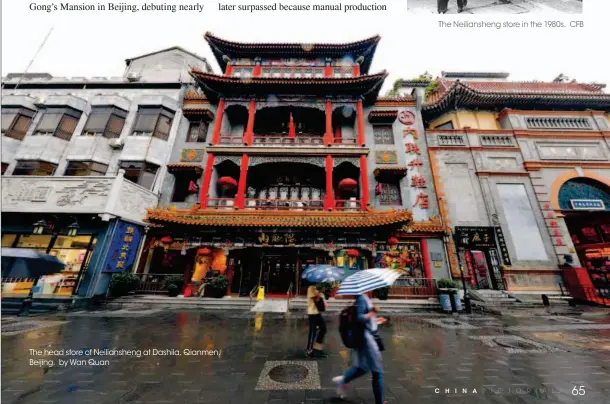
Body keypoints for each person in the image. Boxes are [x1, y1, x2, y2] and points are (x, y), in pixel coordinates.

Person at [333, 293, 387, 404]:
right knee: (377, 372)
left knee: (363, 367)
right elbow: (360, 317)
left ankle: (343, 380)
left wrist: (375, 319)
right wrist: (373, 312)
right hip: (368, 340)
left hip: (365, 338)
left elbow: (364, 318)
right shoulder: (362, 297)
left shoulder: (361, 297)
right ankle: (380, 402)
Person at [306, 283, 327, 358]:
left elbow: (321, 298)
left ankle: (317, 346)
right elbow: (317, 298)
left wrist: (321, 293)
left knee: (323, 329)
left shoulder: (316, 289)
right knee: (312, 332)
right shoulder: (311, 288)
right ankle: (309, 350)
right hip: (312, 313)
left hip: (317, 313)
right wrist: (320, 293)